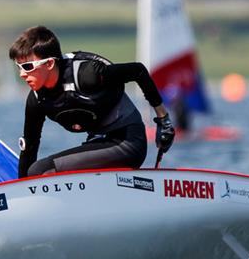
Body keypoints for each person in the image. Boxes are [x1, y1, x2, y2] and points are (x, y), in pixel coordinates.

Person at [9, 26, 175, 178]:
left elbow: (138, 71)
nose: (22, 74)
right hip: (97, 143)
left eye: (28, 66)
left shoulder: (87, 75)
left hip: (128, 143)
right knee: (33, 171)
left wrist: (163, 120)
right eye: (19, 67)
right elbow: (29, 147)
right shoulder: (36, 100)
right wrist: (21, 190)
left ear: (50, 63)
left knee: (41, 170)